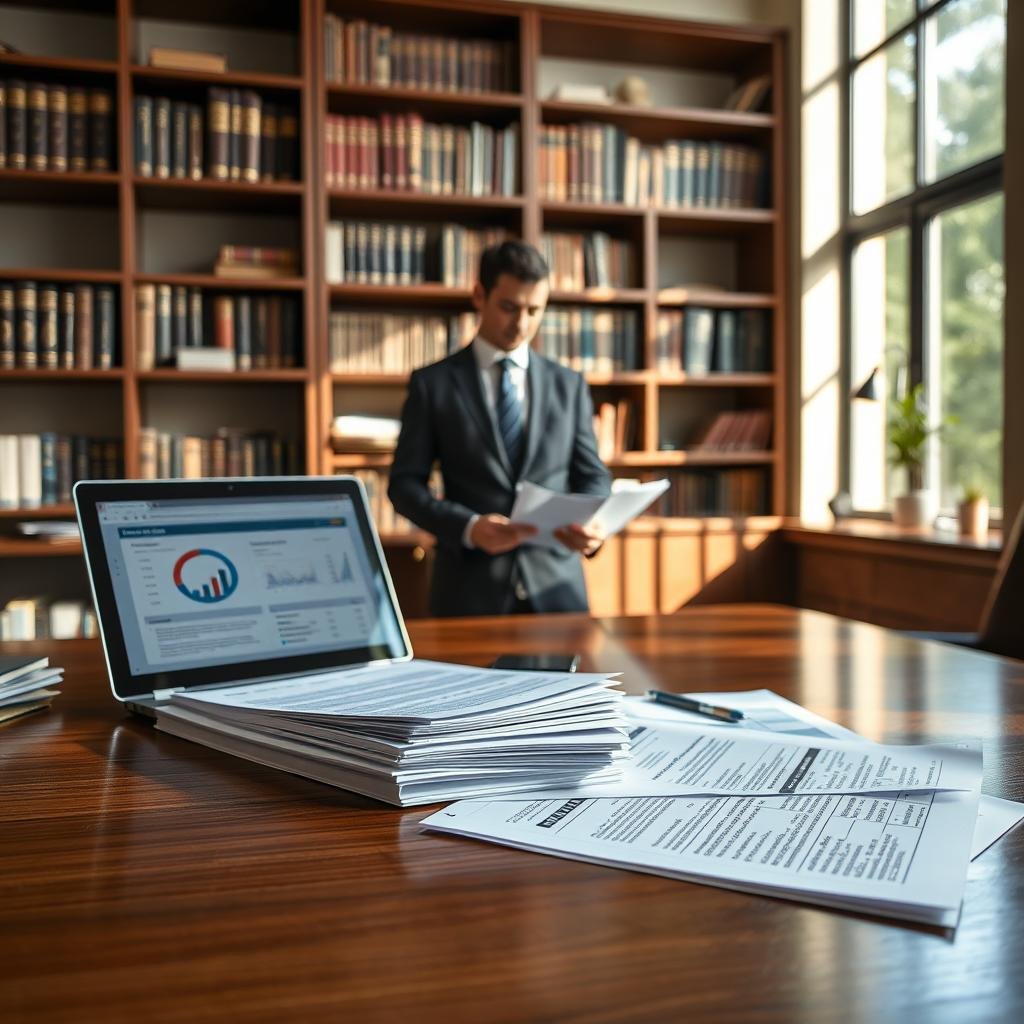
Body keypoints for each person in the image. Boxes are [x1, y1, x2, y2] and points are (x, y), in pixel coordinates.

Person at [388, 240, 612, 617]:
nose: (521, 324)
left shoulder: (568, 384)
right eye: (509, 307)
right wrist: (469, 527)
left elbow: (592, 475)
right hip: (469, 594)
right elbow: (405, 486)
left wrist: (592, 525)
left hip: (558, 592)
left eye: (534, 310)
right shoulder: (433, 384)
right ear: (479, 295)